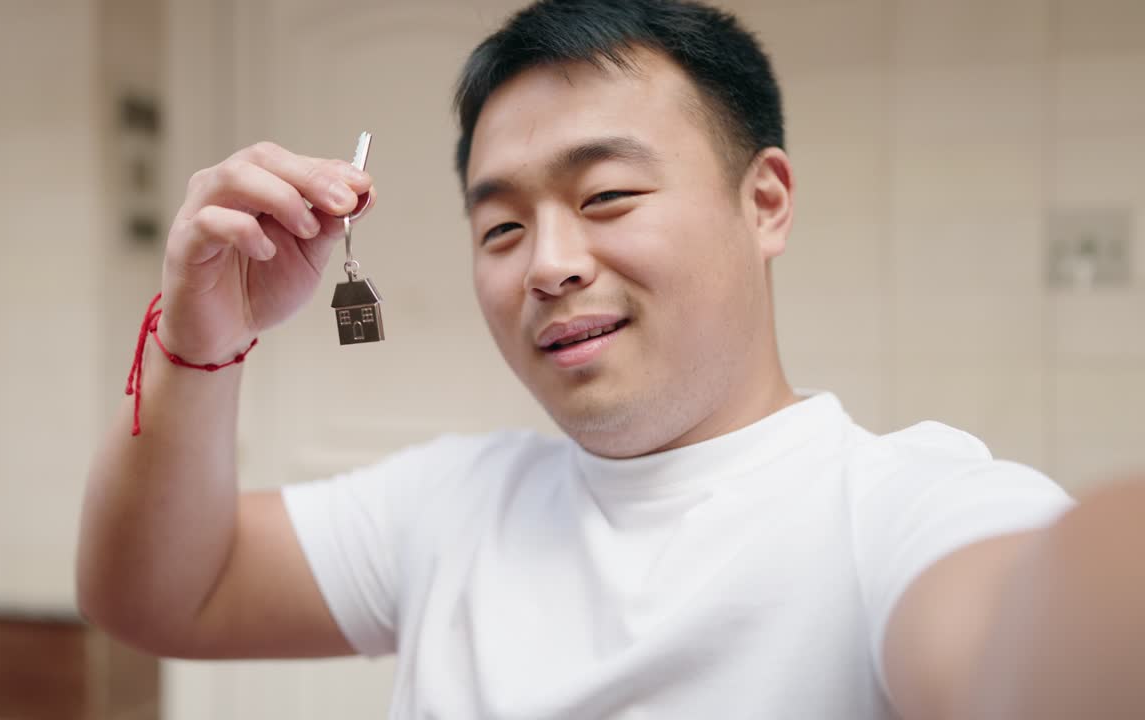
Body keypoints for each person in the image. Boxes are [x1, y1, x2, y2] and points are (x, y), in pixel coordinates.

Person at [78, 1, 1144, 718]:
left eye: (606, 198)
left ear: (762, 201)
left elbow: (1035, 643)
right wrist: (198, 337)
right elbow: (162, 595)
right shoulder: (454, 503)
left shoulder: (895, 508)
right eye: (499, 229)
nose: (547, 264)